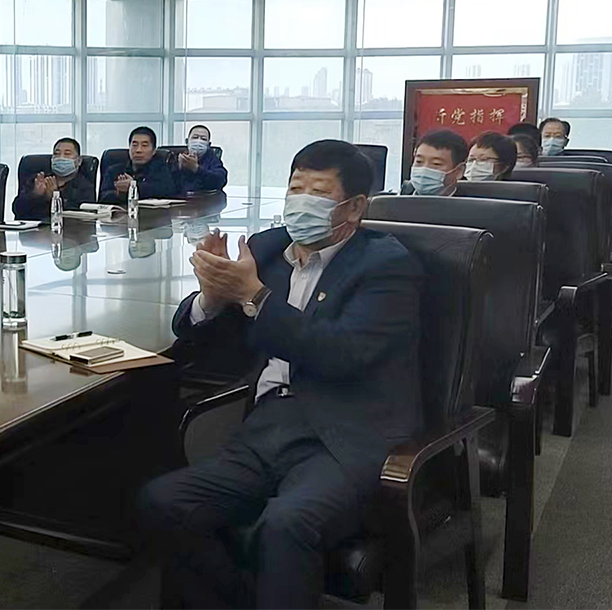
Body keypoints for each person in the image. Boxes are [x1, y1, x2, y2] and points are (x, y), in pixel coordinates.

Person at [140, 139, 423, 609]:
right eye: (296, 188)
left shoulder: (388, 266)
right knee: (165, 500)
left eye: (319, 192)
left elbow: (340, 354)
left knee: (287, 524)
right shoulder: (267, 248)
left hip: (346, 432)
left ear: (355, 208)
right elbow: (207, 340)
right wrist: (212, 297)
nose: (302, 201)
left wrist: (255, 296)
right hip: (268, 426)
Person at [12, 137, 96, 221]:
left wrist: (55, 198)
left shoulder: (85, 187)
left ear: (79, 161)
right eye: (57, 154)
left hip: (68, 228)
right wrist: (35, 195)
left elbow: (82, 217)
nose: (61, 157)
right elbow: (17, 209)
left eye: (67, 154)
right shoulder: (38, 180)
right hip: (33, 228)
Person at [98, 126, 176, 203]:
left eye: (144, 145)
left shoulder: (161, 169)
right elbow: (102, 198)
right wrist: (119, 194)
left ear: (154, 151)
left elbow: (167, 191)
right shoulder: (114, 170)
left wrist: (133, 186)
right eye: (134, 145)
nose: (138, 150)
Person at [402, 129, 467, 196]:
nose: (424, 169)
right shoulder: (399, 199)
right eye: (419, 161)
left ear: (459, 171)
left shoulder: (469, 201)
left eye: (436, 164)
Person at [175, 124, 228, 194]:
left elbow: (220, 180)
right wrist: (178, 167)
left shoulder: (212, 160)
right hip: (178, 198)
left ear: (208, 145)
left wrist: (196, 169)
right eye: (195, 137)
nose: (198, 141)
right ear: (187, 141)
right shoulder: (174, 158)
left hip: (203, 199)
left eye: (203, 139)